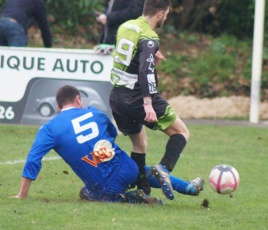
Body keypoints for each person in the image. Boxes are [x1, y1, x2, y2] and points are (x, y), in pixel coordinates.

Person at [13, 85, 204, 204]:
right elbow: (111, 136)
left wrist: (22, 194)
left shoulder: (49, 128)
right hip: (128, 167)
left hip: (104, 185)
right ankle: (188, 187)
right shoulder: (95, 113)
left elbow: (33, 159)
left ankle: (130, 198)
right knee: (142, 171)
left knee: (86, 193)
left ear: (58, 107)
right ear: (78, 100)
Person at [109, 0, 204, 200]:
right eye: (167, 14)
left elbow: (130, 54)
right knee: (181, 132)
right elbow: (145, 70)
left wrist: (151, 53)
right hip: (136, 96)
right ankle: (164, 168)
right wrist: (148, 103)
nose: (166, 18)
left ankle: (143, 191)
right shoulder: (150, 36)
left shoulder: (126, 26)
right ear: (160, 14)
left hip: (117, 97)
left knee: (140, 143)